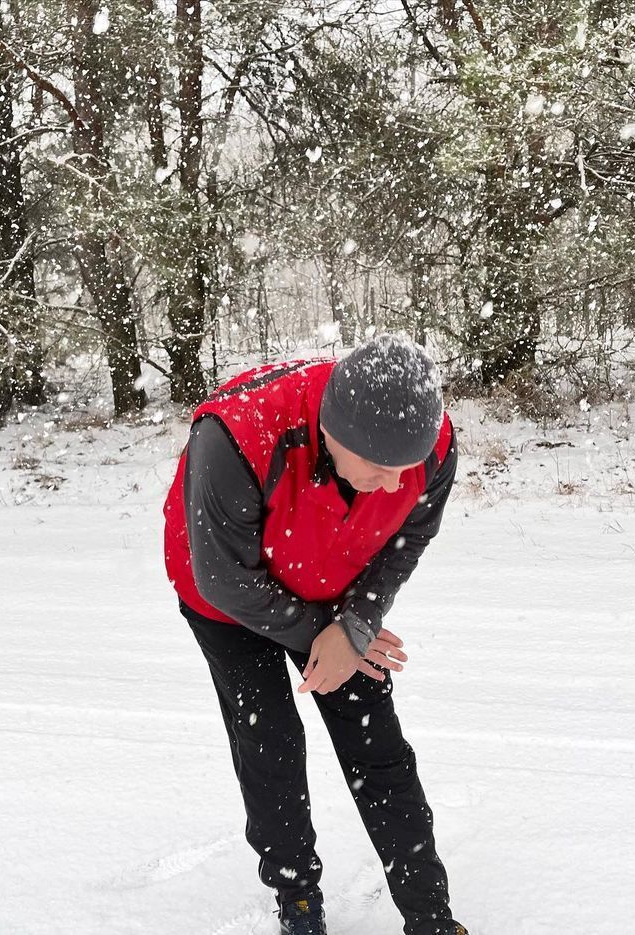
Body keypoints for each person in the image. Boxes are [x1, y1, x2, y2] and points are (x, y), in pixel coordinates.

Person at [163, 334, 467, 935]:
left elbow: (407, 542)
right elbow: (223, 579)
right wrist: (322, 631)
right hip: (227, 599)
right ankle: (297, 898)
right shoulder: (236, 435)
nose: (391, 486)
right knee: (270, 741)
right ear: (332, 432)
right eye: (379, 469)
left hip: (331, 585)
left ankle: (431, 916)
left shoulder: (433, 445)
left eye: (403, 471)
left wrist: (355, 625)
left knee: (377, 746)